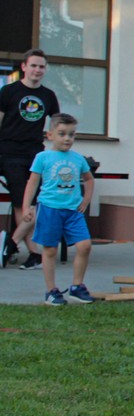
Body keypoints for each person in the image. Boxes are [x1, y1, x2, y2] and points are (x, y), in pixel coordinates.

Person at [21, 113, 94, 305]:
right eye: (62, 134)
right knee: (50, 250)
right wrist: (27, 205)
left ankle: (77, 287)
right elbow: (32, 182)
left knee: (85, 245)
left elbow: (88, 179)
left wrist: (86, 199)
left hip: (73, 211)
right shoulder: (42, 157)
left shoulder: (78, 159)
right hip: (49, 209)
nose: (67, 139)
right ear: (50, 135)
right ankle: (51, 291)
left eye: (71, 135)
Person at [1, 49, 60, 269]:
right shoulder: (8, 92)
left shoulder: (49, 96)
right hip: (9, 153)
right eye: (33, 65)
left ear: (45, 70)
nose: (37, 70)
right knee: (21, 201)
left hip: (37, 154)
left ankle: (11, 244)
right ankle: (33, 252)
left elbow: (57, 126)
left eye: (41, 66)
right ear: (24, 67)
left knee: (36, 202)